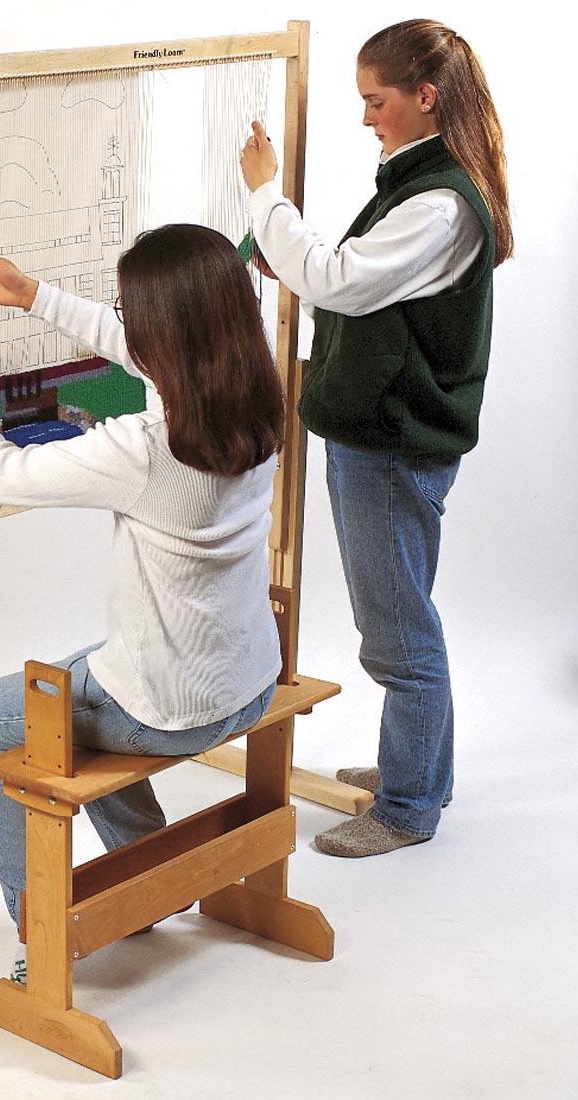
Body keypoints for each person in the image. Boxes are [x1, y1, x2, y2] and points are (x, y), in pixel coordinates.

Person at [0, 226, 284, 980]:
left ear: (164, 336)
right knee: (87, 669)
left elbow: (6, 474)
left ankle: (42, 929)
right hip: (247, 682)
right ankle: (142, 879)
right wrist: (31, 296)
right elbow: (139, 349)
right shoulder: (254, 395)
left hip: (165, 710)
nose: (126, 324)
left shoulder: (146, 448)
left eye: (134, 313)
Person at [240, 19, 511, 857]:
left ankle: (407, 807)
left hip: (392, 444)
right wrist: (284, 258)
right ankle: (421, 770)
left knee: (397, 633)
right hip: (383, 435)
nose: (367, 116)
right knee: (404, 618)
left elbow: (338, 279)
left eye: (376, 100)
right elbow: (351, 284)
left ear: (424, 97)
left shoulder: (438, 202)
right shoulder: (414, 182)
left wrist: (265, 193)